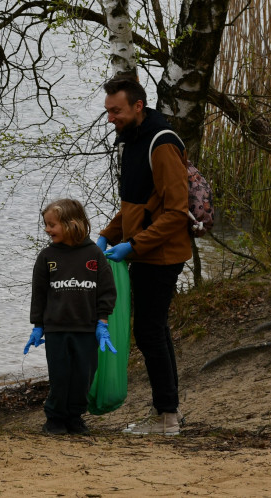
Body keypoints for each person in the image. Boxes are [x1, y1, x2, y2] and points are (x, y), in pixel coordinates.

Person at [96, 75, 191, 436]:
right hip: (144, 252)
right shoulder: (132, 139)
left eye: (116, 111)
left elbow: (176, 212)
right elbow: (136, 206)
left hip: (162, 254)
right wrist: (106, 237)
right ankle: (167, 413)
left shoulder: (161, 143)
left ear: (138, 106)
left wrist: (133, 246)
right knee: (154, 331)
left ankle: (166, 416)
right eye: (108, 111)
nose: (111, 119)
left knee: (150, 332)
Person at [24, 198, 117, 435]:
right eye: (46, 224)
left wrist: (102, 322)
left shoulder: (94, 253)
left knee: (83, 377)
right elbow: (39, 293)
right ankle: (54, 419)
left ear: (71, 223)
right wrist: (38, 326)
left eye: (52, 224)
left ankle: (75, 417)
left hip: (87, 330)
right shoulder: (47, 256)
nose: (47, 229)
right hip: (56, 329)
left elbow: (106, 290)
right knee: (60, 376)